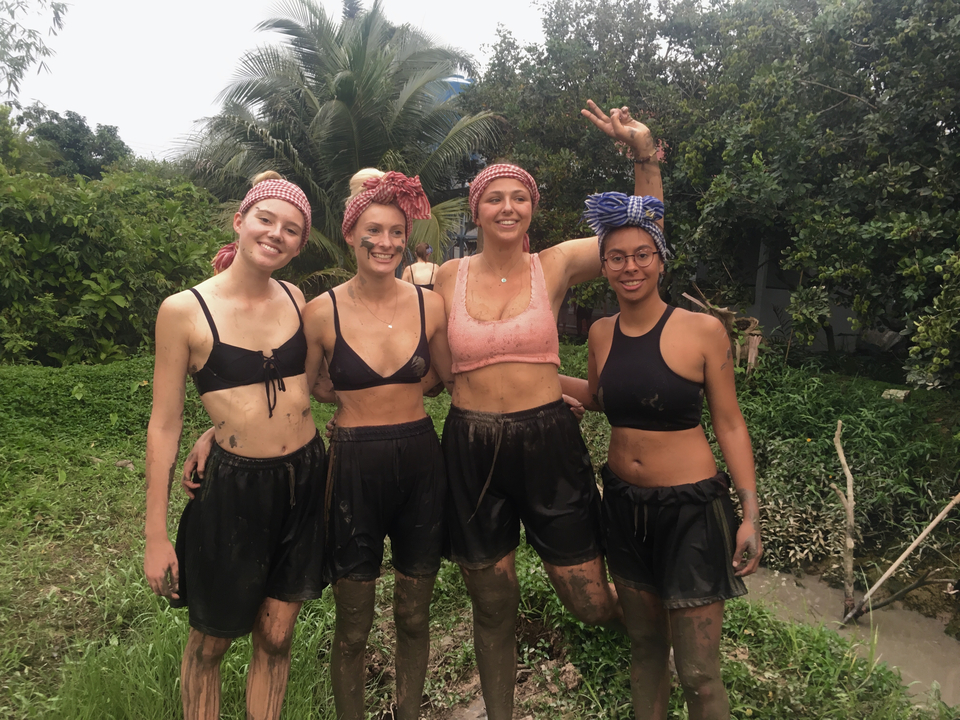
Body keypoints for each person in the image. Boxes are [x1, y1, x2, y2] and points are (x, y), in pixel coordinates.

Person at [429, 101, 661, 720]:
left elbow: (643, 226)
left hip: (548, 445)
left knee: (589, 601)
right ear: (476, 209)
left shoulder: (552, 264)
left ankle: (656, 643)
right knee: (492, 604)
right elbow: (384, 331)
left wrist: (642, 151)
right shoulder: (446, 276)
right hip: (471, 448)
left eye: (519, 197)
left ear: (532, 208)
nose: (507, 207)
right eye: (494, 197)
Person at [560, 187, 762, 719]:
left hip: (690, 512)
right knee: (646, 649)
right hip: (623, 508)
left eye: (642, 255)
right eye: (616, 258)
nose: (630, 267)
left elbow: (730, 424)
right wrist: (527, 376)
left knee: (698, 673)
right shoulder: (600, 334)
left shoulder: (702, 331)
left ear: (660, 259)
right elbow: (600, 398)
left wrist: (750, 513)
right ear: (604, 267)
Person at [143, 172, 327, 720]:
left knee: (276, 636)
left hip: (305, 478)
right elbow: (164, 423)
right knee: (211, 642)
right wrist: (155, 535)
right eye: (265, 219)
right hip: (234, 491)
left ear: (300, 243)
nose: (276, 234)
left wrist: (216, 428)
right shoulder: (184, 311)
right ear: (239, 221)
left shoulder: (295, 297)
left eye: (291, 229)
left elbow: (295, 389)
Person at [303, 169, 453, 720]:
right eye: (373, 231)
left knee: (414, 615)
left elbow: (448, 377)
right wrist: (211, 433)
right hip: (352, 467)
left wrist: (554, 393)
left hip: (419, 461)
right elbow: (300, 389)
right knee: (353, 625)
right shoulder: (321, 312)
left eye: (396, 232)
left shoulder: (430, 306)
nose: (385, 243)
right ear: (350, 234)